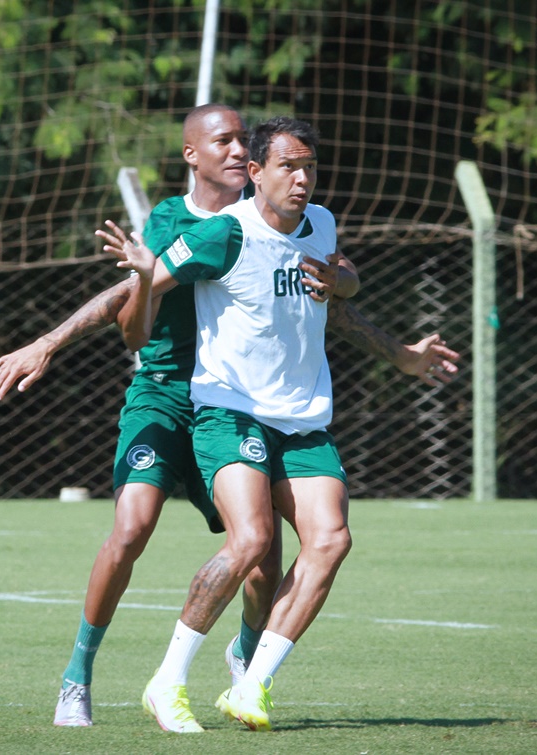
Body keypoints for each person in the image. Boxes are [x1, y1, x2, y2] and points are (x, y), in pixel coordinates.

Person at [0, 105, 458, 729]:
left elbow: (330, 290)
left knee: (298, 550)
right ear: (200, 156)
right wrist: (51, 338)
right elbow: (130, 311)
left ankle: (249, 671)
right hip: (190, 399)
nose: (241, 152)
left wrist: (363, 306)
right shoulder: (196, 227)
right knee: (166, 532)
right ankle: (99, 676)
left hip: (282, 412)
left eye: (251, 143)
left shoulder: (310, 220)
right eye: (230, 142)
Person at [107, 115, 398, 733]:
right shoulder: (221, 234)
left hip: (302, 420)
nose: (302, 177)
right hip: (229, 409)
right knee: (251, 543)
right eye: (289, 166)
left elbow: (342, 274)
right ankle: (167, 682)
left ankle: (252, 685)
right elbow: (141, 309)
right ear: (257, 173)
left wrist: (344, 281)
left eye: (310, 166)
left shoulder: (319, 222)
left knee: (331, 541)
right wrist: (140, 276)